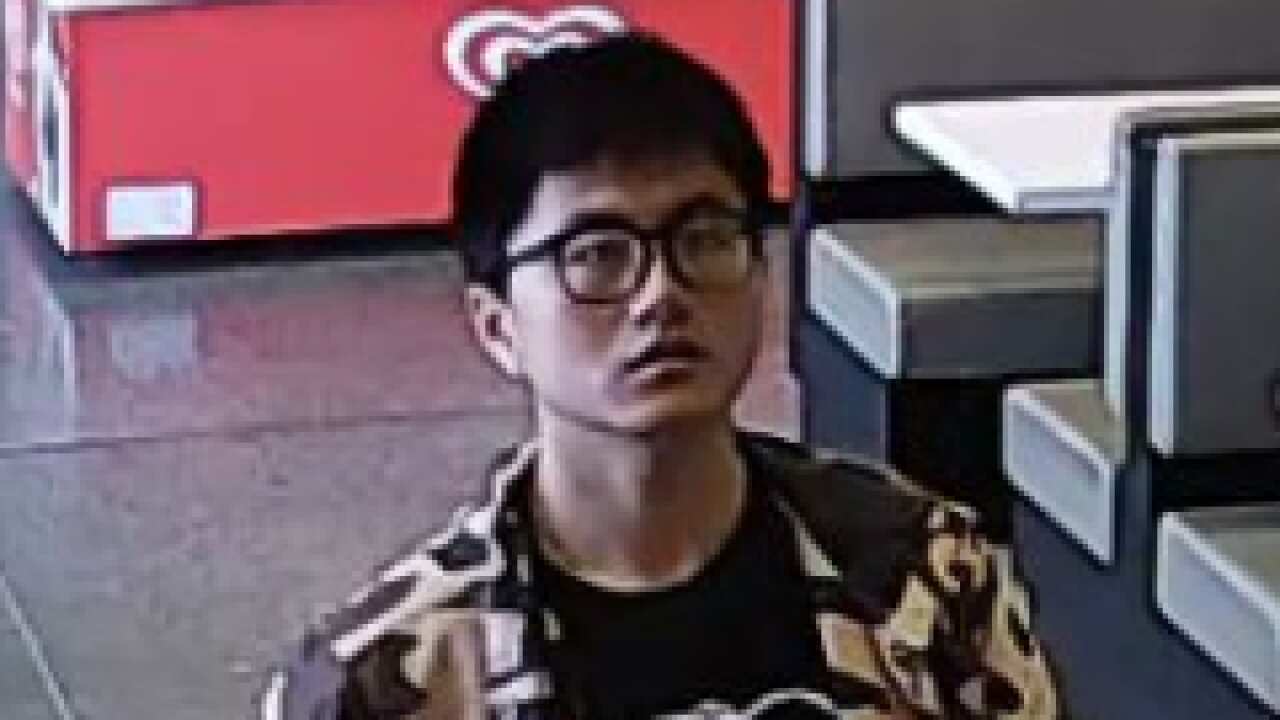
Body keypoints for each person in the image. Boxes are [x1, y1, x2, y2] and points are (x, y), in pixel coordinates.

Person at [260, 34, 1060, 719]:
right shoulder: (377, 681)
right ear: (497, 325)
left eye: (703, 238)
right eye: (597, 255)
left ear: (760, 274)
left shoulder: (925, 570)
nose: (659, 296)